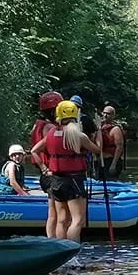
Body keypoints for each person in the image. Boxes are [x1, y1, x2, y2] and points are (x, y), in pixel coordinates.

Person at [43, 99, 94, 242]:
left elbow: (35, 150)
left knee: (62, 219)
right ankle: (72, 252)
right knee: (77, 219)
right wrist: (98, 136)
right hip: (74, 179)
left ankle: (61, 250)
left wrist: (43, 168)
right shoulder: (78, 135)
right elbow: (96, 150)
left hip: (57, 179)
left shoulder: (51, 133)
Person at [95, 103, 128, 182]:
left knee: (111, 181)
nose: (105, 115)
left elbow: (119, 147)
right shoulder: (100, 128)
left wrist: (113, 164)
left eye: (108, 114)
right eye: (104, 113)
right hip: (101, 161)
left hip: (111, 161)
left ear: (113, 116)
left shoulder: (115, 129)